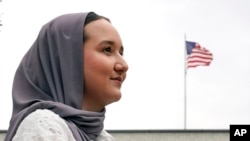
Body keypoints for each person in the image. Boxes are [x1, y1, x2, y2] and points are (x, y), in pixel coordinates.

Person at [4, 11, 128, 141]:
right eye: (107, 49)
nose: (124, 65)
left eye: (121, 53)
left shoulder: (101, 137)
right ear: (68, 58)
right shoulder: (43, 128)